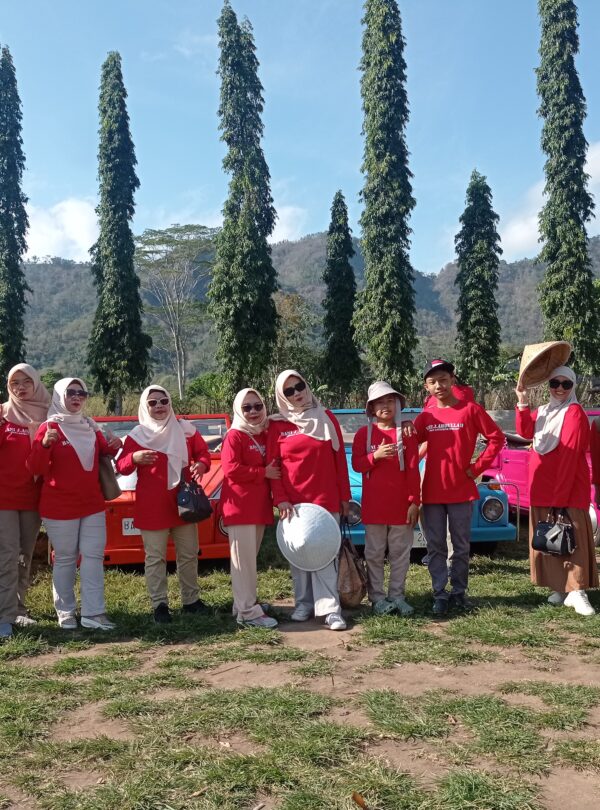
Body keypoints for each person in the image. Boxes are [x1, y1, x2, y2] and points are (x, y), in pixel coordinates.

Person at [27, 378, 121, 630]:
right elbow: (35, 467)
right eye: (71, 392)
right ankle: (66, 612)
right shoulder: (49, 427)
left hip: (92, 504)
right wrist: (45, 444)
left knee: (93, 556)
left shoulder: (90, 426)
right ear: (60, 396)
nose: (77, 397)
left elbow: (104, 453)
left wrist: (115, 445)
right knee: (66, 558)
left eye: (82, 393)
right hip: (59, 506)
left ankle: (94, 613)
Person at [414, 360, 504, 615]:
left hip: (461, 490)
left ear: (452, 380)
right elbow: (409, 445)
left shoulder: (470, 410)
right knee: (436, 546)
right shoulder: (427, 416)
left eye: (443, 379)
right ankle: (439, 593)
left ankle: (459, 592)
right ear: (426, 387)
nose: (439, 385)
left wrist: (477, 468)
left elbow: (496, 438)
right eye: (432, 382)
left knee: (461, 546)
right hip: (431, 492)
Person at [116, 385, 211, 623]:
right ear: (145, 406)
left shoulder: (186, 430)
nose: (159, 406)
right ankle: (159, 605)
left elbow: (203, 453)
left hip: (184, 504)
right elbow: (122, 466)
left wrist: (201, 464)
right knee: (155, 557)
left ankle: (191, 601)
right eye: (153, 403)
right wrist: (134, 457)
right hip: (152, 506)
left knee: (189, 554)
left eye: (163, 401)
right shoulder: (138, 435)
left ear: (170, 403)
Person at [267, 370, 350, 631]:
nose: (297, 393)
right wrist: (280, 499)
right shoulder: (278, 425)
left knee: (326, 555)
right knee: (299, 553)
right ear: (282, 396)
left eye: (299, 386)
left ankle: (330, 610)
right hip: (294, 505)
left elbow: (339, 460)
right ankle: (303, 604)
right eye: (289, 391)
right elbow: (273, 466)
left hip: (325, 499)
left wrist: (345, 497)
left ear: (307, 385)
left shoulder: (326, 418)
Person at [516, 367, 597, 615]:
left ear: (573, 386)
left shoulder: (574, 413)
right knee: (551, 538)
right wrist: (522, 402)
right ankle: (560, 588)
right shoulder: (543, 411)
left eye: (566, 384)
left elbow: (569, 459)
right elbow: (525, 432)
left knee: (573, 538)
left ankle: (577, 590)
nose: (559, 389)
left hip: (568, 489)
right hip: (542, 487)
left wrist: (560, 497)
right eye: (554, 383)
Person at [352, 381, 420, 616]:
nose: (385, 406)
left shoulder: (407, 433)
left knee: (400, 554)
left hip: (401, 507)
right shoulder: (364, 434)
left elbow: (413, 469)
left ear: (398, 404)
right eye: (379, 402)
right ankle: (377, 598)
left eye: (390, 401)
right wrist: (376, 456)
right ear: (371, 408)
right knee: (374, 554)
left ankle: (397, 596)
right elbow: (357, 464)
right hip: (374, 507)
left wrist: (415, 501)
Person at [221, 388, 279, 629]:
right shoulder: (235, 436)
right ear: (238, 410)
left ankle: (244, 604)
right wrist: (262, 472)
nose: (253, 411)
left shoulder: (263, 433)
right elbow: (230, 469)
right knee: (243, 564)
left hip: (258, 507)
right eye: (247, 408)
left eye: (258, 406)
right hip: (240, 508)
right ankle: (247, 613)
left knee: (248, 561)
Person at [0, 364, 51, 639]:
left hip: (33, 498)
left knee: (24, 556)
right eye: (15, 383)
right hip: (4, 499)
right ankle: (4, 616)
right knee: (7, 555)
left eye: (26, 381)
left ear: (36, 383)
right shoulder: (3, 414)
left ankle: (19, 609)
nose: (20, 387)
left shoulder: (49, 415)